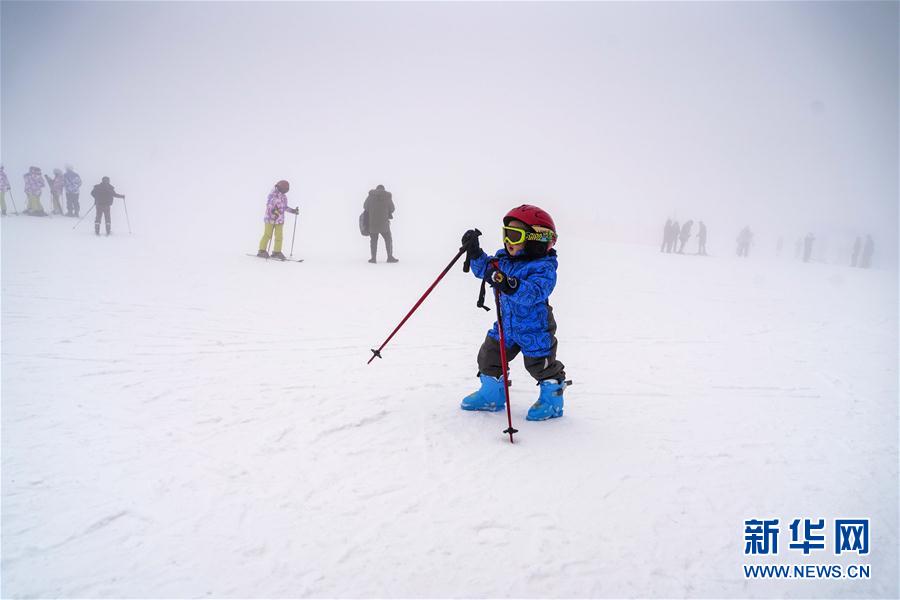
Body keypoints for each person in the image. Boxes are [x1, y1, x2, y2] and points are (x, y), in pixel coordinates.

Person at [459, 204, 568, 421]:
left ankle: (552, 401)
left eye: (515, 235)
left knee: (540, 366)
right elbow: (485, 270)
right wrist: (475, 253)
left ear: (536, 239)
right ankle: (492, 395)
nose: (508, 241)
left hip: (535, 329)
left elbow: (534, 292)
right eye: (506, 234)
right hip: (506, 326)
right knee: (489, 356)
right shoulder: (504, 261)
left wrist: (510, 284)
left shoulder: (543, 267)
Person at [256, 180, 298, 259]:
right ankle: (261, 250)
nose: (286, 191)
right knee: (267, 234)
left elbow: (284, 207)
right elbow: (269, 206)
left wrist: (293, 211)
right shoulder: (273, 195)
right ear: (280, 187)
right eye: (285, 188)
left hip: (279, 220)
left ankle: (276, 252)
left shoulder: (284, 197)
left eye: (287, 189)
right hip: (270, 219)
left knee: (279, 236)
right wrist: (274, 211)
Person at [363, 184, 397, 263]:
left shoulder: (370, 196)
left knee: (373, 241)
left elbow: (365, 206)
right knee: (388, 239)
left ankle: (373, 258)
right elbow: (392, 208)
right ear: (384, 189)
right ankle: (389, 257)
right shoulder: (387, 197)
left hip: (372, 223)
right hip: (384, 223)